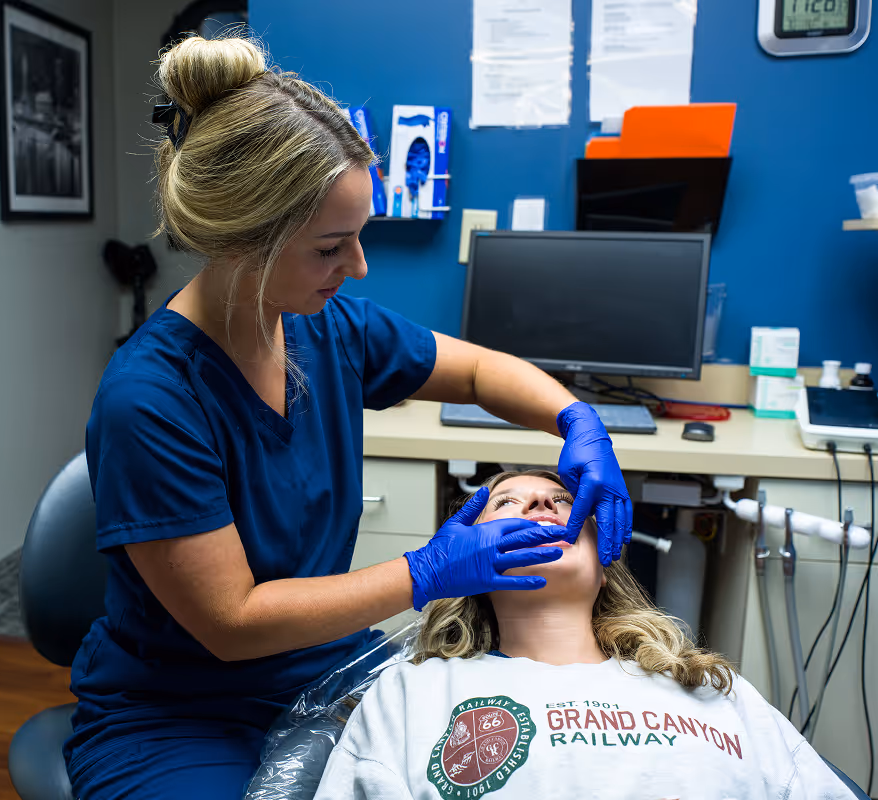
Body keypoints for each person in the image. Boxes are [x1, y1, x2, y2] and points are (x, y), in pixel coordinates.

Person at [63, 34, 634, 800]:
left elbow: (477, 370)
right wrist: (428, 571)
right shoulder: (152, 400)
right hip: (179, 713)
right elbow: (230, 622)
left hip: (328, 664)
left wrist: (576, 420)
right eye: (333, 246)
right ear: (243, 242)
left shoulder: (328, 328)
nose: (358, 266)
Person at [312, 470, 858, 800]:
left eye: (563, 502)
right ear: (465, 565)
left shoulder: (716, 691)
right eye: (505, 504)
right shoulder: (415, 695)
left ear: (603, 566)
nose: (542, 505)